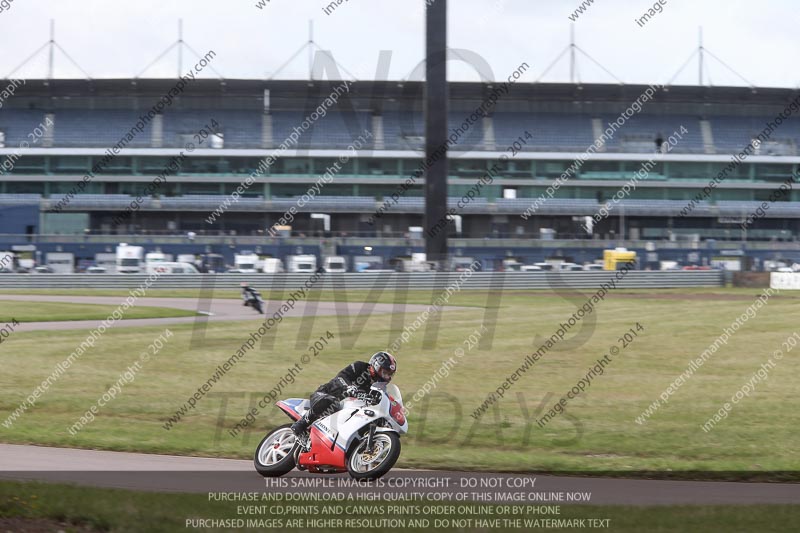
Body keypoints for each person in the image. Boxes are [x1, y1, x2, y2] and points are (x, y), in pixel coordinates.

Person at [291, 351, 397, 435]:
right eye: (385, 372)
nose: (387, 377)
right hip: (325, 394)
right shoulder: (360, 367)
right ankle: (300, 424)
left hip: (345, 409)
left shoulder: (377, 387)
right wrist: (349, 387)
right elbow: (342, 376)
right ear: (376, 366)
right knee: (331, 402)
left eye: (389, 374)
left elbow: (380, 400)